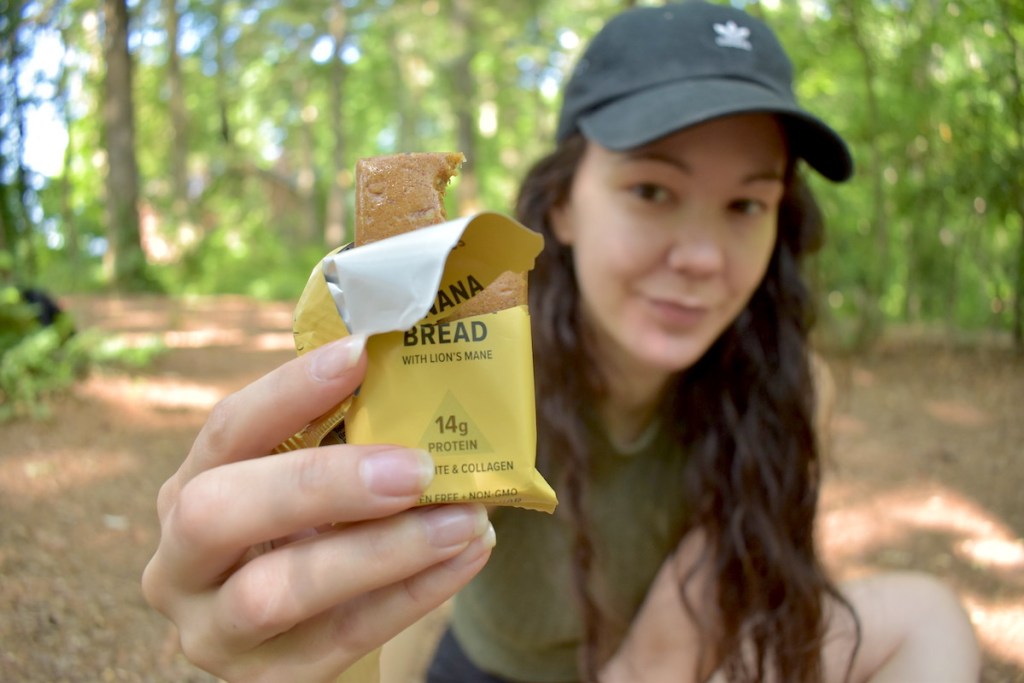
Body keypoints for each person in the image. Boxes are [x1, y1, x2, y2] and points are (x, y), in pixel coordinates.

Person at [141, 2, 980, 682]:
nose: (700, 258)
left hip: (670, 660)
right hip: (487, 672)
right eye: (653, 189)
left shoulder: (782, 385)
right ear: (568, 204)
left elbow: (678, 637)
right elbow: (398, 609)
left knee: (930, 616)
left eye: (746, 204)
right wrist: (306, 646)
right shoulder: (481, 364)